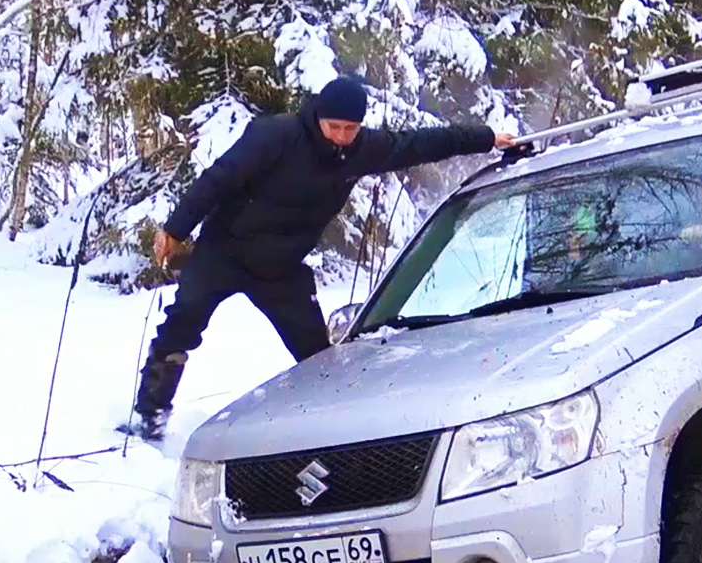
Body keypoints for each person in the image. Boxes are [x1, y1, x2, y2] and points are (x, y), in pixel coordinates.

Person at [130, 76, 514, 439]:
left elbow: (420, 144)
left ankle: (336, 427)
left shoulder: (362, 150)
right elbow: (218, 178)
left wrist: (486, 138)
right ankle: (151, 414)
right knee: (182, 323)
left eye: (351, 129)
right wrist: (176, 229)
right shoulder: (277, 135)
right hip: (223, 252)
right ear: (318, 117)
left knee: (316, 354)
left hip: (280, 270)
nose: (343, 137)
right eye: (336, 127)